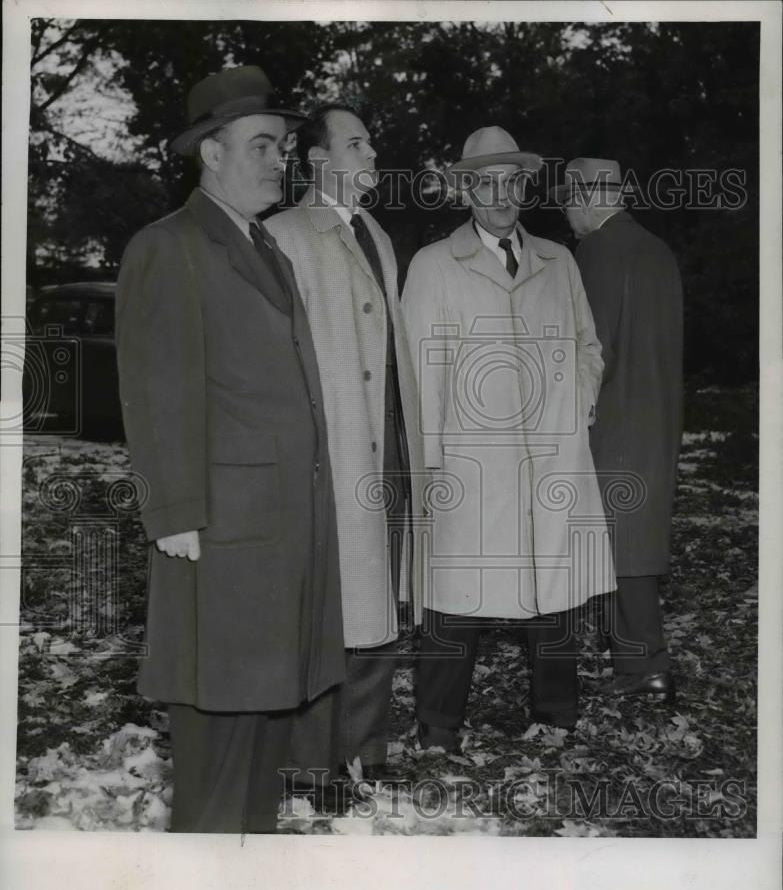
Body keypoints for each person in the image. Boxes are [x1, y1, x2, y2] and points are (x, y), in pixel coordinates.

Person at [115, 66, 345, 833]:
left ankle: (244, 889)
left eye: (280, 146)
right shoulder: (169, 246)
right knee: (217, 725)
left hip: (282, 527)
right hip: (218, 531)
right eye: (259, 145)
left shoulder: (265, 247)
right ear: (209, 153)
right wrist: (174, 511)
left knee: (265, 717)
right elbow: (157, 389)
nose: (276, 159)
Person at [401, 126, 616, 745]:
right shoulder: (435, 266)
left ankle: (555, 717)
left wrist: (574, 406)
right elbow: (420, 372)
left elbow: (587, 346)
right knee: (455, 592)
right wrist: (435, 464)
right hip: (470, 463)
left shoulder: (559, 260)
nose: (500, 195)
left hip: (552, 458)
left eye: (511, 182)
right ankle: (439, 727)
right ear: (466, 189)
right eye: (485, 182)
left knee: (554, 588)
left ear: (525, 186)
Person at [265, 104, 425, 779]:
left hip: (382, 448)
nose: (371, 153)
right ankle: (308, 765)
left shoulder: (378, 235)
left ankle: (364, 752)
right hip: (325, 452)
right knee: (323, 605)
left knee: (375, 603)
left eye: (371, 140)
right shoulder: (282, 235)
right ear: (318, 160)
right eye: (356, 143)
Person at [554, 157, 683, 703]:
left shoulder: (595, 252)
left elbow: (591, 344)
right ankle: (638, 661)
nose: (566, 216)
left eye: (567, 202)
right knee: (635, 535)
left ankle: (643, 667)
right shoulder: (658, 249)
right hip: (657, 413)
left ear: (586, 198)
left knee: (619, 543)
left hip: (611, 416)